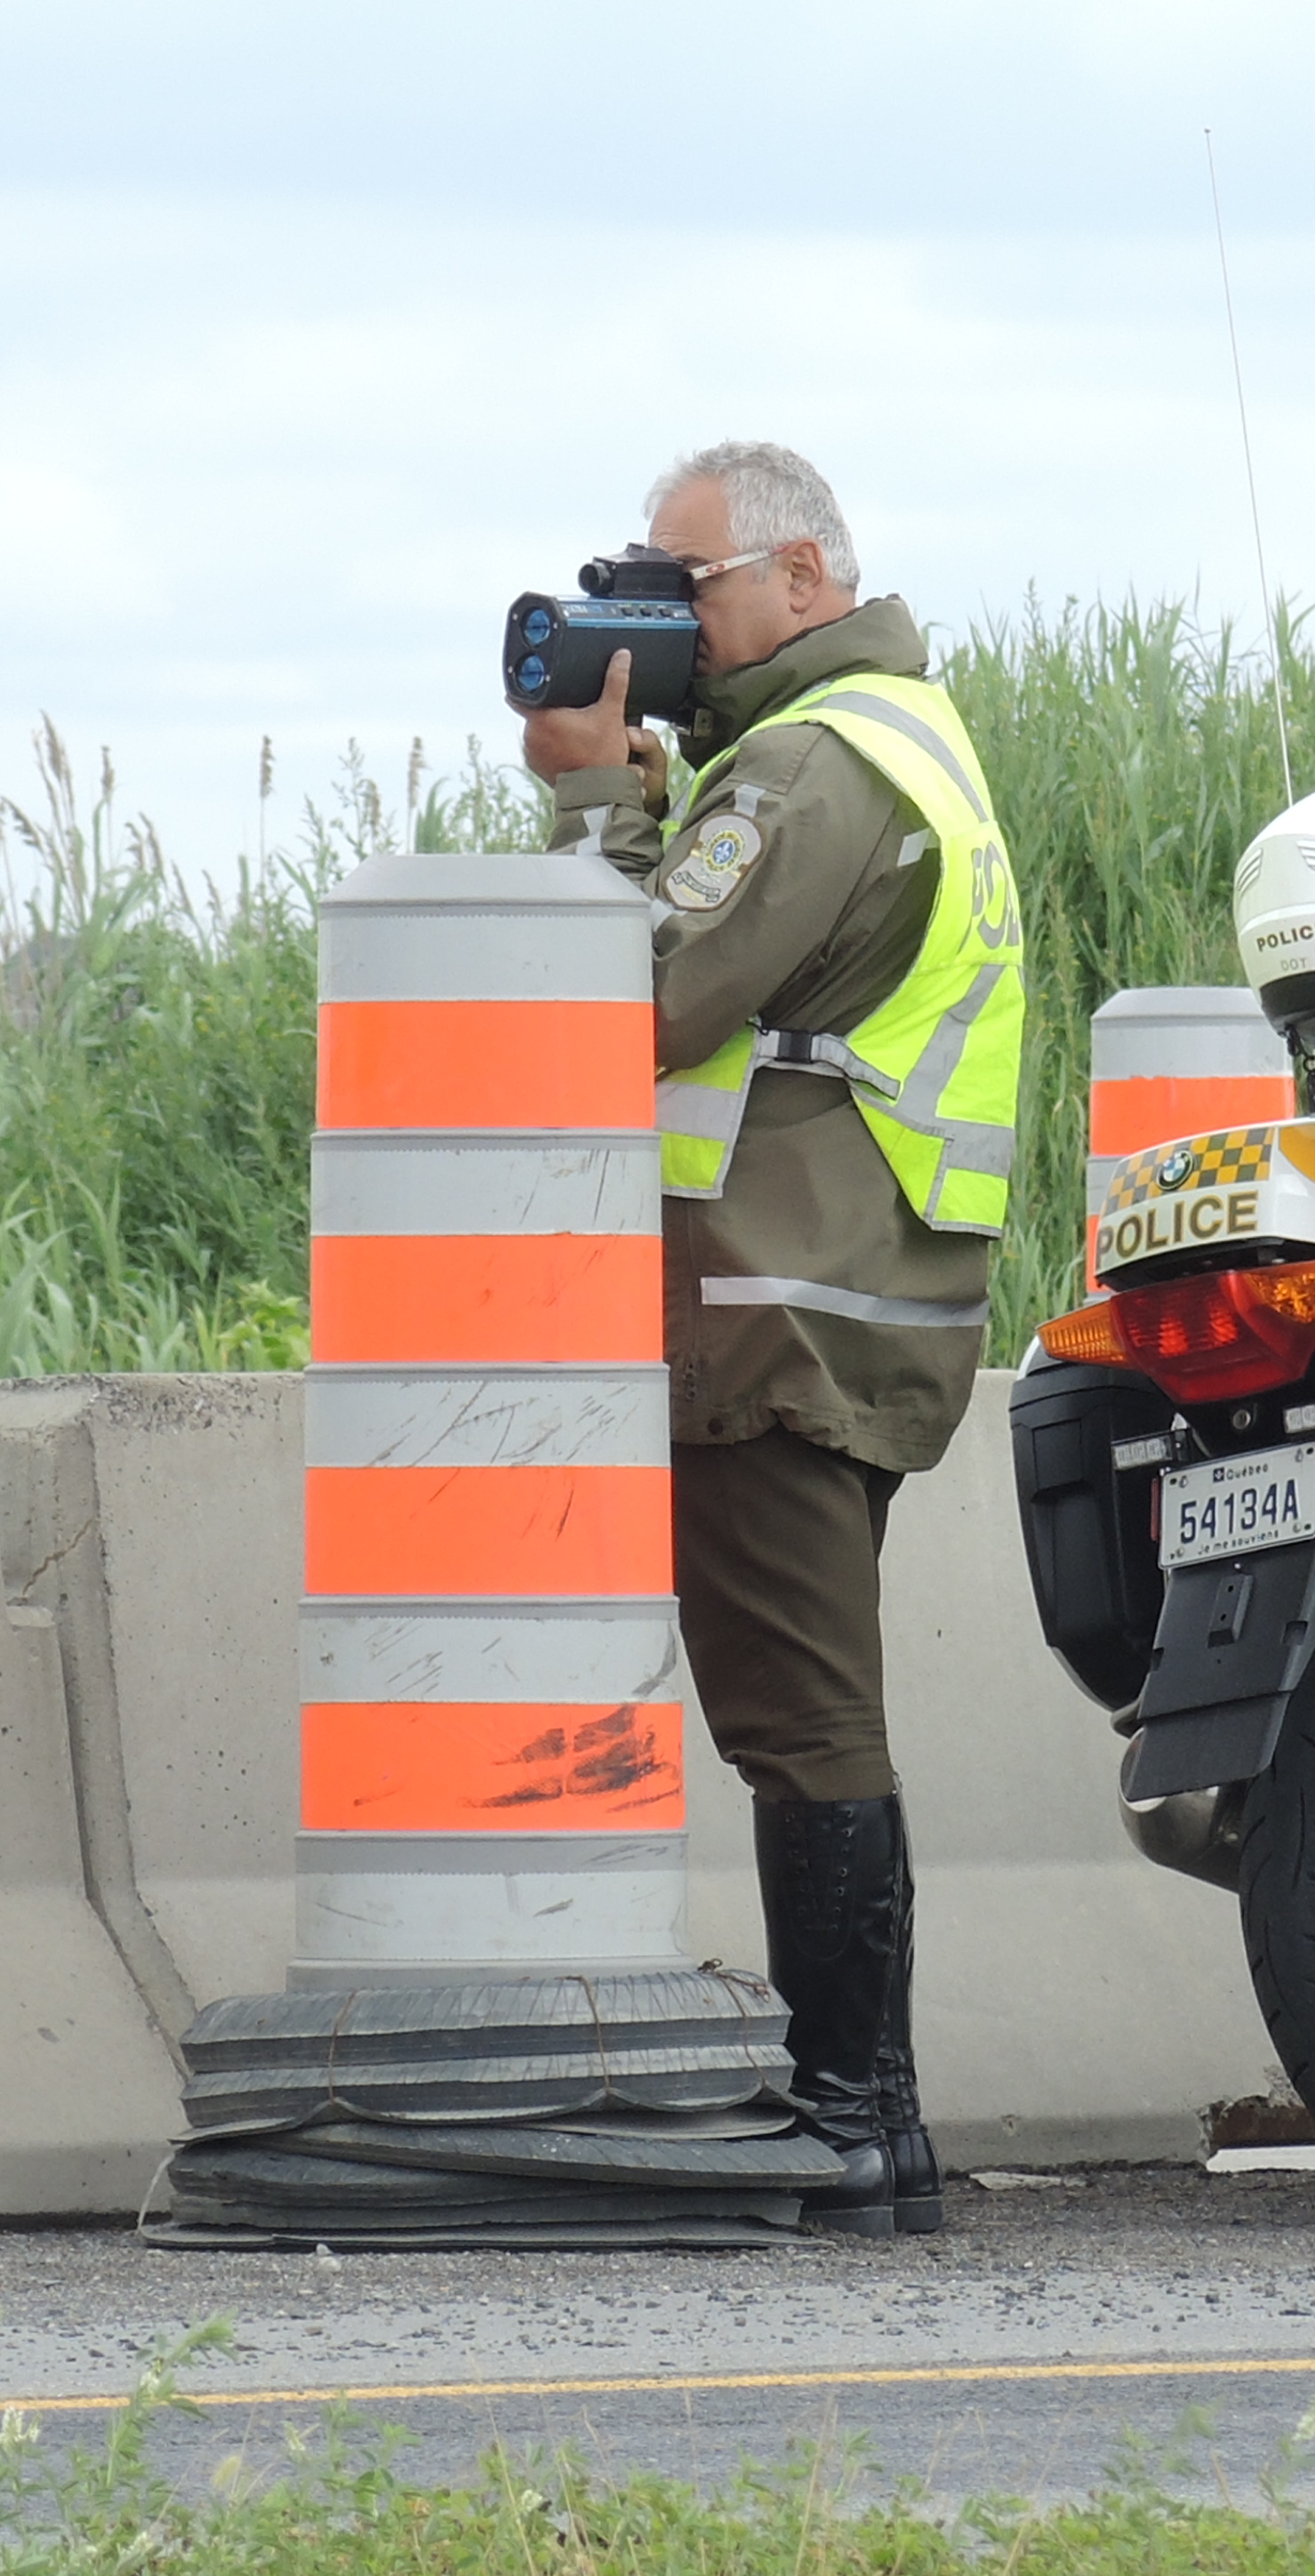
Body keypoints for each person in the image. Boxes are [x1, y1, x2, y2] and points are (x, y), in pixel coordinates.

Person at [517, 441, 1024, 2238]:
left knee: (800, 1721)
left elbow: (633, 996)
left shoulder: (812, 767)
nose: (663, 621)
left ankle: (854, 2116)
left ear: (802, 577)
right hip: (831, 1297)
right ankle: (862, 2120)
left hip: (776, 1316)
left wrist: (596, 808)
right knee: (799, 1710)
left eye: (687, 583)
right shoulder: (870, 741)